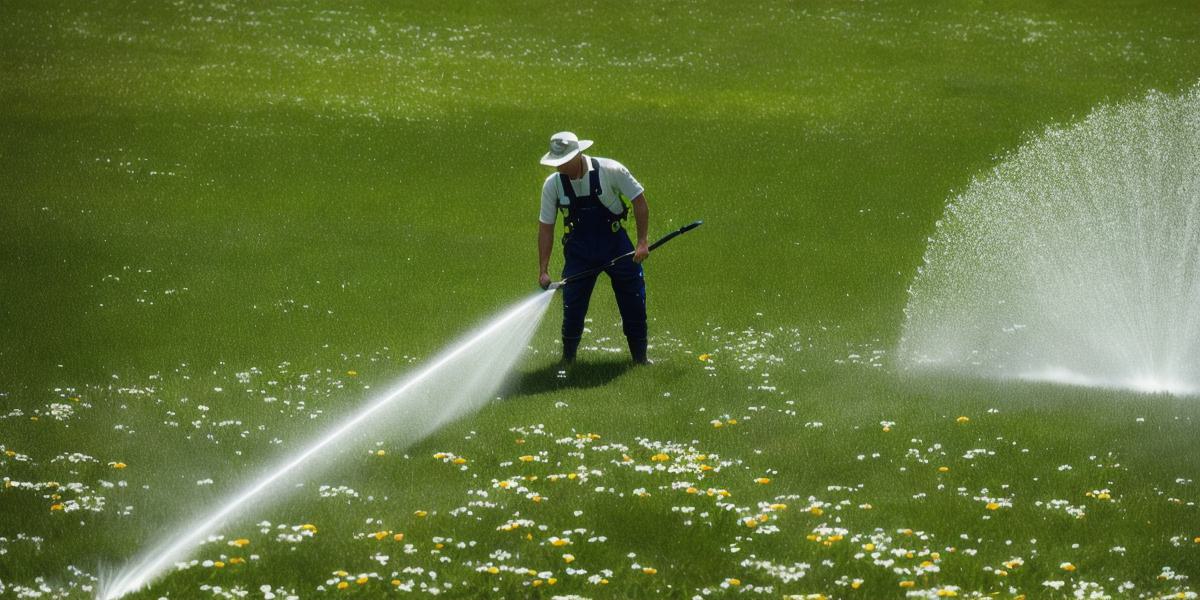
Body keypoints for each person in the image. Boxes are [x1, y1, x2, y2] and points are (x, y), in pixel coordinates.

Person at [537, 131, 650, 364]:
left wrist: (641, 242)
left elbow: (639, 201)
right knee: (573, 304)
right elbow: (546, 227)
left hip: (616, 245)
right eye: (556, 163)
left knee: (633, 299)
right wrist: (543, 269)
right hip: (579, 251)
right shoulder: (553, 185)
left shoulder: (611, 170)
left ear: (578, 154)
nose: (559, 168)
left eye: (563, 162)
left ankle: (640, 358)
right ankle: (568, 360)